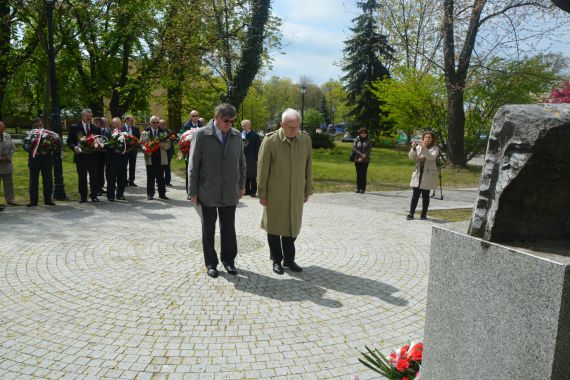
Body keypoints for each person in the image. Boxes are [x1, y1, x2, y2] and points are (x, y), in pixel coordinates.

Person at [188, 103, 246, 278]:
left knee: (229, 228)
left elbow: (241, 163)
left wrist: (242, 185)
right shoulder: (201, 135)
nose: (230, 124)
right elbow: (193, 165)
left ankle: (229, 261)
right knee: (208, 229)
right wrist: (193, 192)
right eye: (227, 121)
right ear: (217, 118)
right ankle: (211, 263)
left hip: (230, 191)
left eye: (233, 121)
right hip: (207, 191)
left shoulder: (236, 136)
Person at [257, 108, 313, 275]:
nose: (294, 130)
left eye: (297, 126)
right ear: (282, 124)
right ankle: (276, 260)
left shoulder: (305, 140)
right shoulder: (270, 140)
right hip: (275, 193)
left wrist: (307, 189)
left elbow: (308, 166)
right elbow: (262, 169)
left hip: (296, 192)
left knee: (292, 226)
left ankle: (289, 259)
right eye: (290, 127)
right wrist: (262, 193)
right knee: (274, 227)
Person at [67, 108, 102, 203]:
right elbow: (69, 141)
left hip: (93, 157)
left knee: (94, 177)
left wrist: (97, 145)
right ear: (82, 116)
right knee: (82, 177)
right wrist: (74, 147)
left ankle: (94, 196)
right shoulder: (75, 127)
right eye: (87, 116)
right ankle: (83, 196)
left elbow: (99, 140)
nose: (89, 118)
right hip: (81, 157)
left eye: (90, 116)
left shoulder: (95, 128)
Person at [406, 131, 439, 220]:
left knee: (425, 195)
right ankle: (411, 213)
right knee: (415, 195)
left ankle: (423, 214)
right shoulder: (418, 147)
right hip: (418, 173)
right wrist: (413, 148)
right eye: (425, 137)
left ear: (432, 140)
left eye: (429, 137)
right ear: (423, 139)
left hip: (428, 175)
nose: (427, 139)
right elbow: (412, 157)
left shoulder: (435, 148)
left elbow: (431, 157)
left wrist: (424, 149)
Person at [27, 118, 55, 207]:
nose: (38, 127)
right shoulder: (30, 135)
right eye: (36, 126)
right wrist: (33, 151)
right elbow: (26, 146)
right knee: (33, 182)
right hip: (34, 160)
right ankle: (33, 201)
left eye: (40, 125)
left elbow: (55, 145)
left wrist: (47, 150)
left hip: (46, 160)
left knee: (48, 181)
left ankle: (48, 200)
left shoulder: (49, 134)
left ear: (43, 125)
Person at [143, 116, 169, 200]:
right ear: (150, 123)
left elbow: (168, 145)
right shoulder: (145, 132)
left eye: (157, 122)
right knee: (150, 177)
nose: (155, 124)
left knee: (161, 177)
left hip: (160, 158)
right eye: (153, 122)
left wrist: (162, 145)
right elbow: (141, 144)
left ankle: (162, 194)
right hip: (150, 157)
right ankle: (150, 194)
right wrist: (146, 149)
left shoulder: (164, 133)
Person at [105, 117, 128, 202]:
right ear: (112, 124)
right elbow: (105, 144)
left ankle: (120, 195)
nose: (116, 125)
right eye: (114, 123)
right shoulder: (107, 132)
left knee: (122, 178)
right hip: (111, 159)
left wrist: (125, 144)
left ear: (121, 124)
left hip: (122, 159)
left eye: (118, 123)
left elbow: (128, 144)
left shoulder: (124, 133)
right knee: (111, 178)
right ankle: (110, 196)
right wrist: (113, 147)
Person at [181, 110, 203, 190]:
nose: (195, 117)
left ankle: (199, 191)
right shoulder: (186, 126)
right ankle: (189, 191)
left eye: (197, 115)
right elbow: (182, 139)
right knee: (189, 172)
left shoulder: (202, 126)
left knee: (200, 172)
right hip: (189, 151)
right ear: (190, 117)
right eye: (193, 116)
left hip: (200, 152)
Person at [241, 119, 261, 197]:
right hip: (243, 157)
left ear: (249, 126)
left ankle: (253, 191)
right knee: (245, 174)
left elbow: (258, 148)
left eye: (244, 125)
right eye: (242, 125)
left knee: (252, 175)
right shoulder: (241, 134)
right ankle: (247, 190)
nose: (243, 127)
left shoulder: (255, 135)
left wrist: (257, 159)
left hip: (252, 158)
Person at [0, 120, 17, 206]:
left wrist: (7, 157)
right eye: (1, 127)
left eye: (3, 127)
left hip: (6, 163)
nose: (3, 128)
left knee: (8, 183)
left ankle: (10, 200)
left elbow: (13, 148)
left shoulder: (7, 136)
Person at [122, 115, 140, 187]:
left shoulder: (136, 129)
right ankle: (124, 181)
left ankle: (131, 181)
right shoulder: (121, 128)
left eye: (133, 121)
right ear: (126, 120)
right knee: (124, 166)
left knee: (132, 166)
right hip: (124, 150)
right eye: (131, 120)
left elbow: (138, 138)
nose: (132, 122)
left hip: (133, 150)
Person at [352, 128, 372, 193]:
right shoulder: (356, 140)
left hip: (365, 160)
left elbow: (369, 150)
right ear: (360, 133)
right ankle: (358, 188)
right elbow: (354, 149)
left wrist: (363, 157)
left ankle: (362, 189)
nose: (363, 134)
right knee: (358, 174)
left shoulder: (369, 141)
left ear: (366, 133)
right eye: (362, 133)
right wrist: (360, 155)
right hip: (357, 160)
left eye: (364, 133)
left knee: (363, 174)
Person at [93, 116, 108, 196]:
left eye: (98, 123)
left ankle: (101, 187)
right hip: (95, 155)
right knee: (96, 172)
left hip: (102, 155)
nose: (97, 124)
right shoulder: (93, 131)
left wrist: (103, 145)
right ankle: (97, 188)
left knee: (101, 171)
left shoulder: (102, 130)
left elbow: (103, 141)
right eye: (96, 123)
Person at [158, 119, 174, 186]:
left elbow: (172, 140)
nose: (163, 125)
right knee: (159, 167)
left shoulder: (169, 131)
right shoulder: (157, 131)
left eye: (164, 123)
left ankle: (167, 181)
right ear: (159, 124)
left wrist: (172, 139)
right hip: (160, 152)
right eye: (161, 123)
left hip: (168, 151)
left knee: (167, 167)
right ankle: (159, 180)